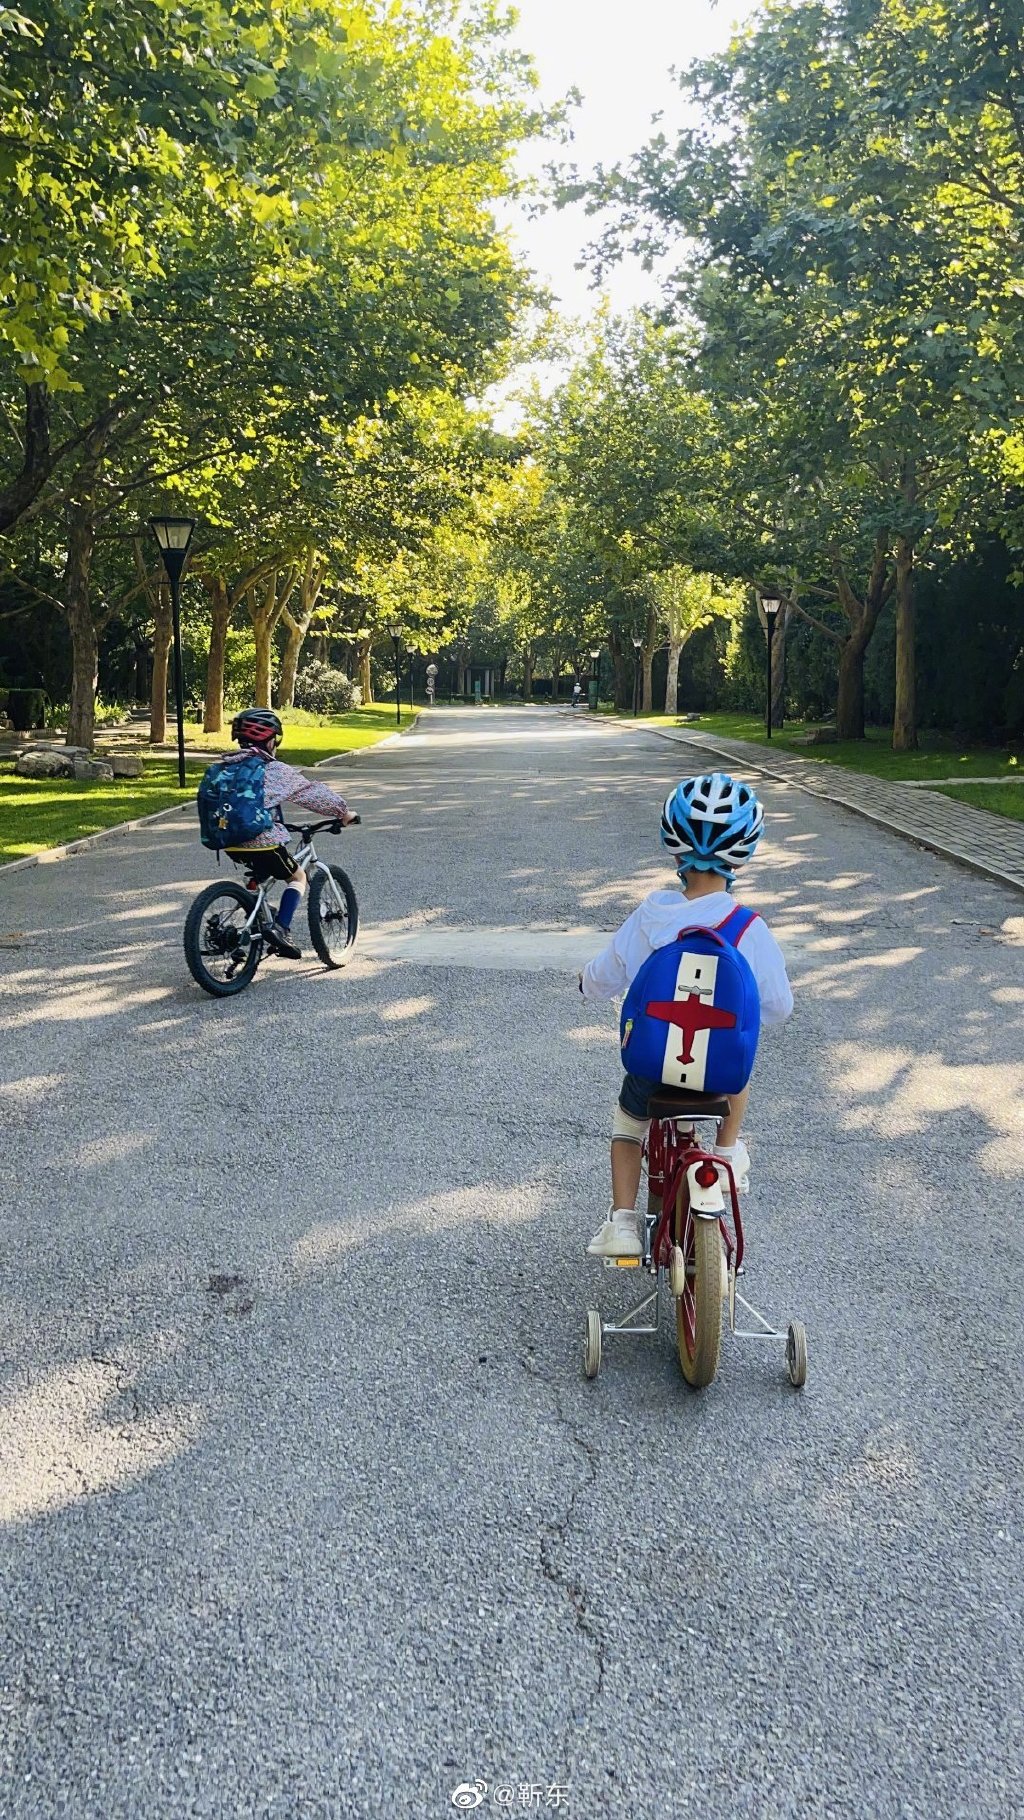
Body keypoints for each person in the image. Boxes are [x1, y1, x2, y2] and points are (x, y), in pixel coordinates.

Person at [579, 772, 793, 1258]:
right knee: (740, 1068)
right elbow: (779, 1008)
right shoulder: (748, 928)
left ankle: (624, 1223)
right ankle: (725, 1152)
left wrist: (586, 984)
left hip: (654, 1069)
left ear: (672, 847)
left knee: (628, 1123)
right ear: (745, 850)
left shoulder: (654, 913)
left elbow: (606, 972)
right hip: (717, 1077)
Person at [222, 708, 357, 961]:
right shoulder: (272, 769)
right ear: (271, 740)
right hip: (261, 841)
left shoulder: (226, 766)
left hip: (228, 840)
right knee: (298, 875)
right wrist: (343, 812)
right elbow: (311, 793)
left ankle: (256, 920)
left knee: (260, 878)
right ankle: (281, 928)